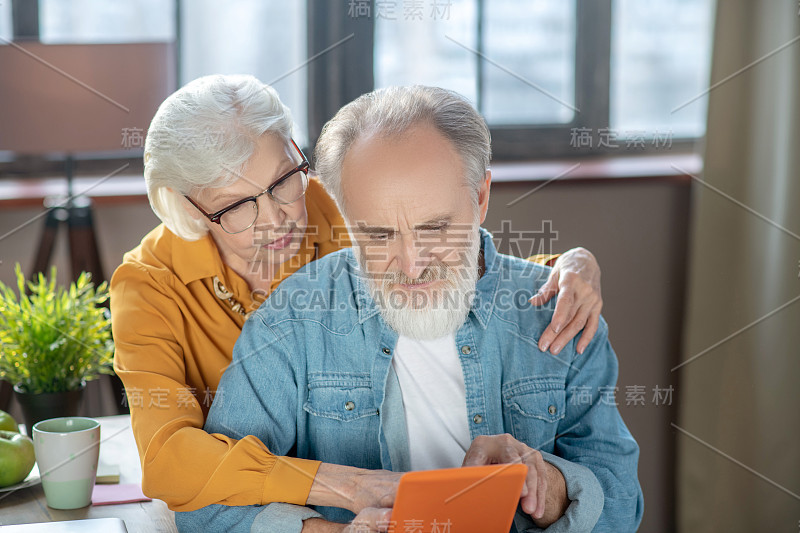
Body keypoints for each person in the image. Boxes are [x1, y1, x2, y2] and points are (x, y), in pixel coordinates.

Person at [110, 75, 607, 513]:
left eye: (283, 179)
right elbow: (168, 461)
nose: (280, 216)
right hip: (285, 502)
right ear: (193, 212)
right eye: (239, 204)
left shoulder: (332, 203)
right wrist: (341, 485)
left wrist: (568, 265)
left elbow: (439, 253)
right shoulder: (149, 285)